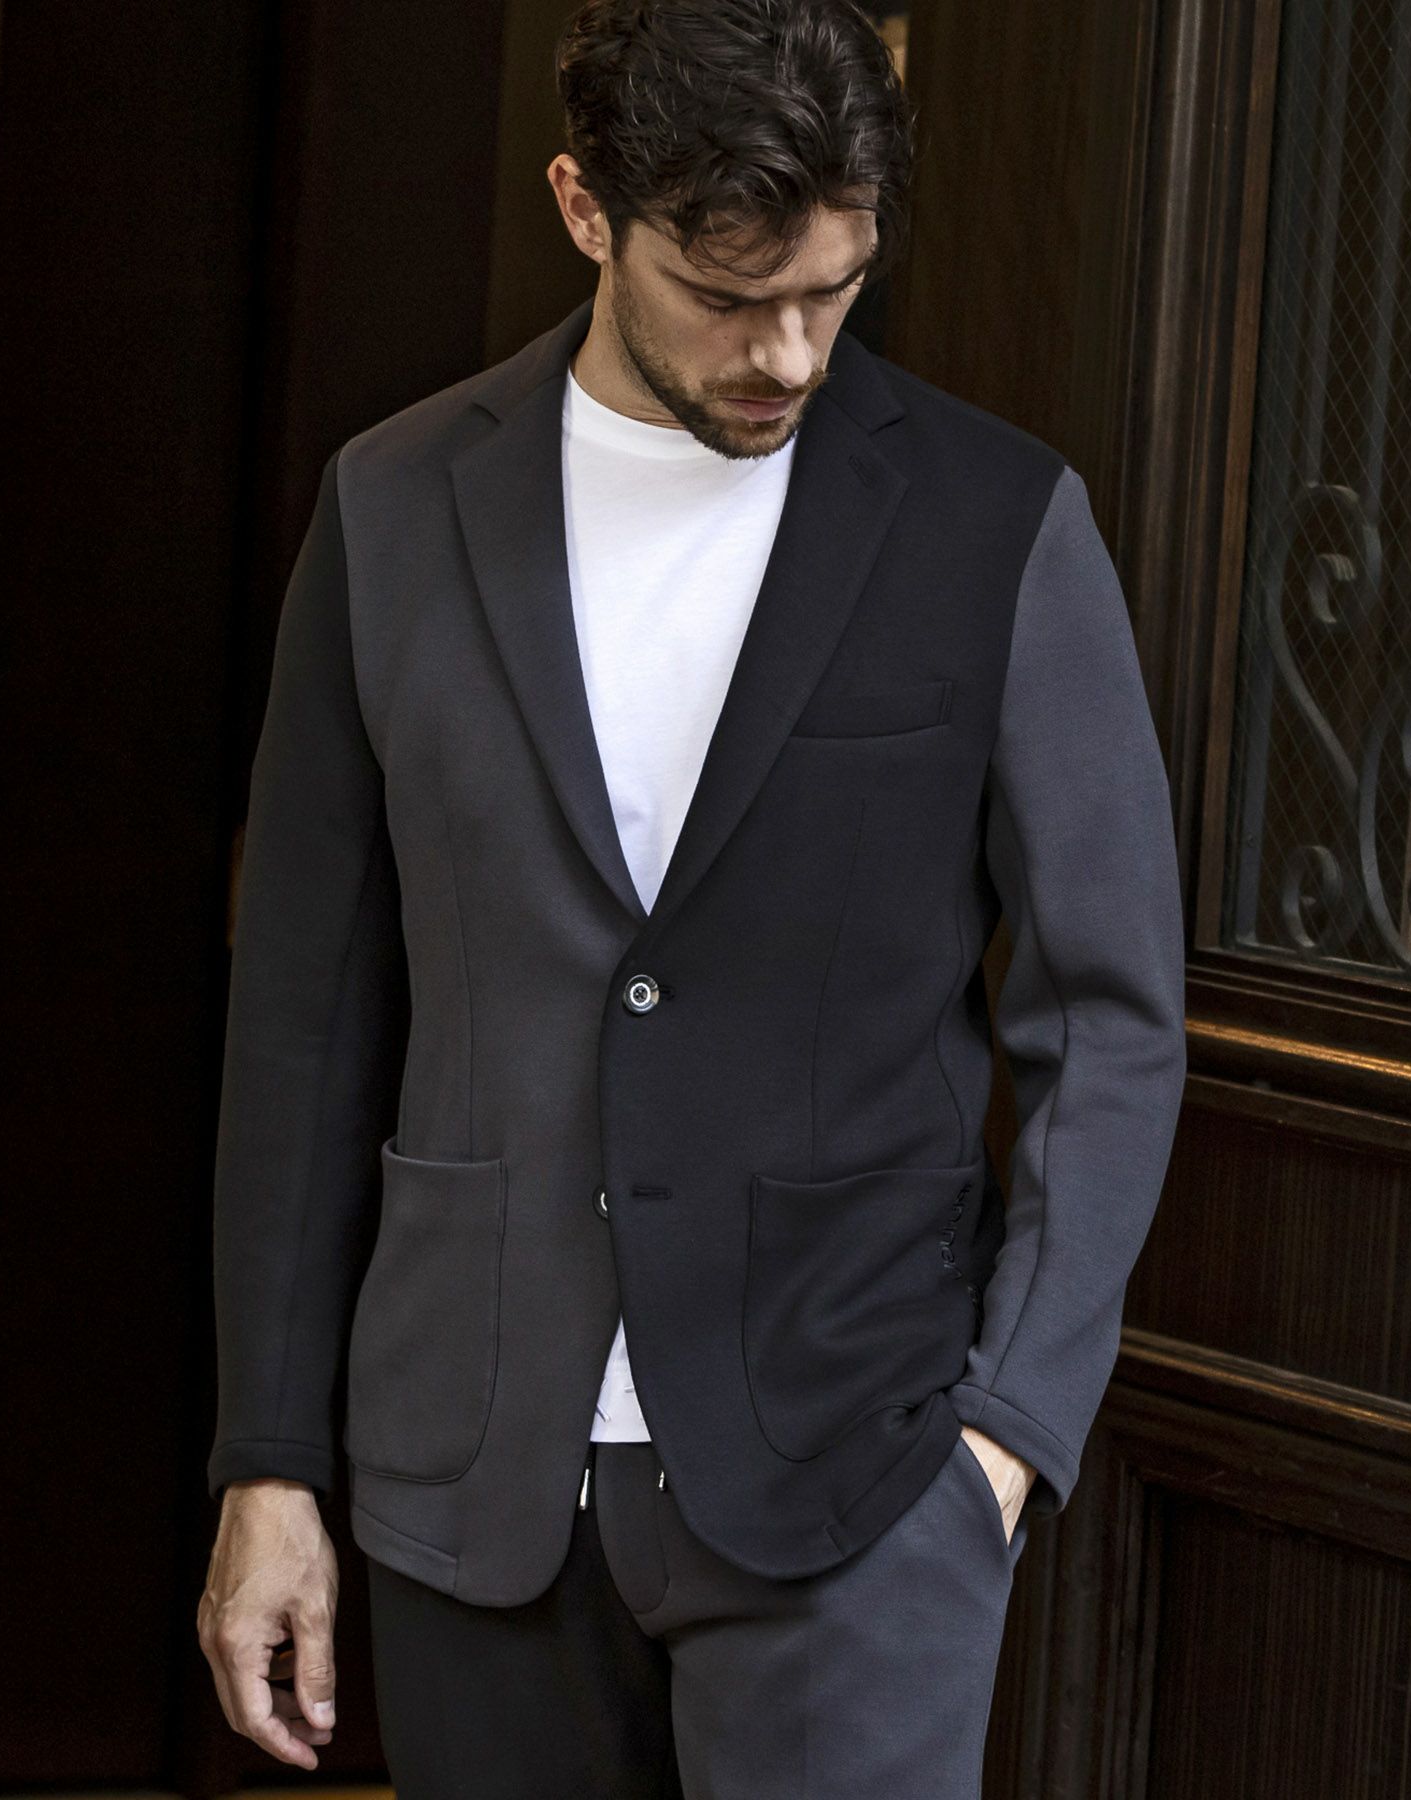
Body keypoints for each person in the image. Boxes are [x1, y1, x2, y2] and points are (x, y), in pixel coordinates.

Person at [196, 1, 1187, 1794]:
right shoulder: (396, 507)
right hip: (473, 1486)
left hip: (862, 1482)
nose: (787, 354)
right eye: (731, 298)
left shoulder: (997, 520)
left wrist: (1009, 1434)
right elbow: (305, 1025)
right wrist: (269, 1462)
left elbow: (1109, 1015)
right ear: (587, 210)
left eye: (833, 290)